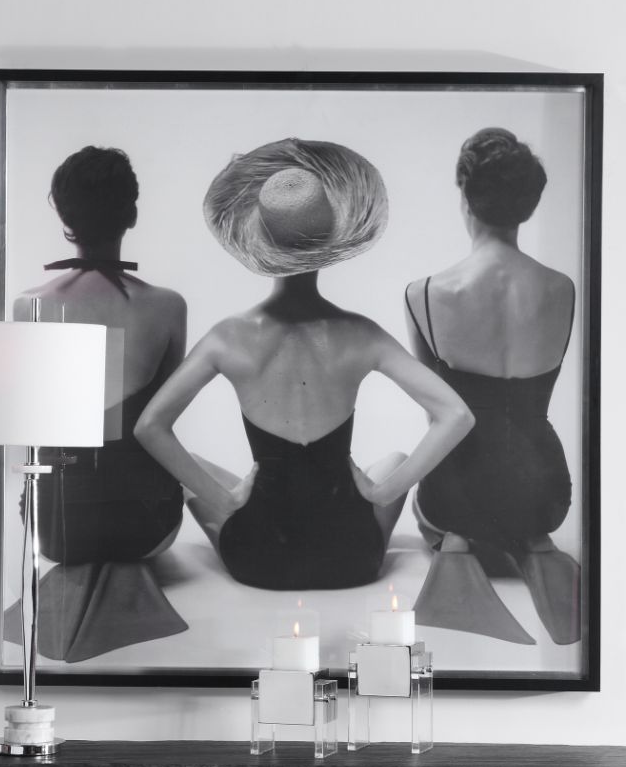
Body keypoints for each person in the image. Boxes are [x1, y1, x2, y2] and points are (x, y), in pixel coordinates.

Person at [135, 138, 474, 591]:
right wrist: (381, 492)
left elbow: (150, 427)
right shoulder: (363, 334)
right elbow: (457, 414)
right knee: (394, 460)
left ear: (261, 240)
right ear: (330, 241)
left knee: (193, 469)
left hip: (259, 560)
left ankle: (241, 507)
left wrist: (228, 500)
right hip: (352, 557)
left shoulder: (226, 337)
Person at [8, 145, 188, 661]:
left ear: (65, 218)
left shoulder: (30, 305)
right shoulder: (169, 306)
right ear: (131, 214)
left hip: (55, 532)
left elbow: (29, 429)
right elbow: (160, 425)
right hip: (147, 530)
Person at [405, 127, 580, 644]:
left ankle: (457, 542)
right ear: (527, 205)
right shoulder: (563, 288)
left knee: (431, 508)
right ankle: (534, 543)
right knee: (524, 508)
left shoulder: (425, 292)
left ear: (465, 197)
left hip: (455, 492)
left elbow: (439, 415)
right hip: (545, 490)